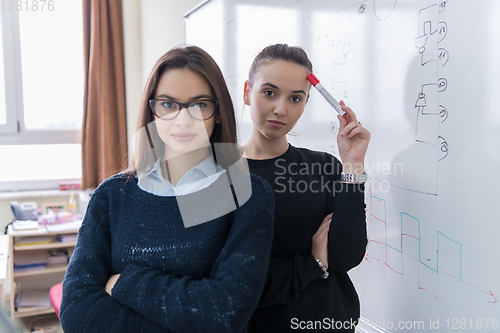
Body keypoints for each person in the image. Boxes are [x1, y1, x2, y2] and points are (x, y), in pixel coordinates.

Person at [60, 45, 275, 333]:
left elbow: (224, 313)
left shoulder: (247, 193)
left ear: (219, 112)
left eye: (199, 104)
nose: (183, 120)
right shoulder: (111, 196)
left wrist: (124, 282)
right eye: (168, 104)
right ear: (152, 111)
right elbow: (77, 313)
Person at [242, 44, 371, 332]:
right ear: (247, 92)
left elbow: (346, 257)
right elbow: (229, 281)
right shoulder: (216, 175)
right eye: (269, 92)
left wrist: (352, 165)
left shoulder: (324, 166)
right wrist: (311, 264)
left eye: (296, 98)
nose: (281, 109)